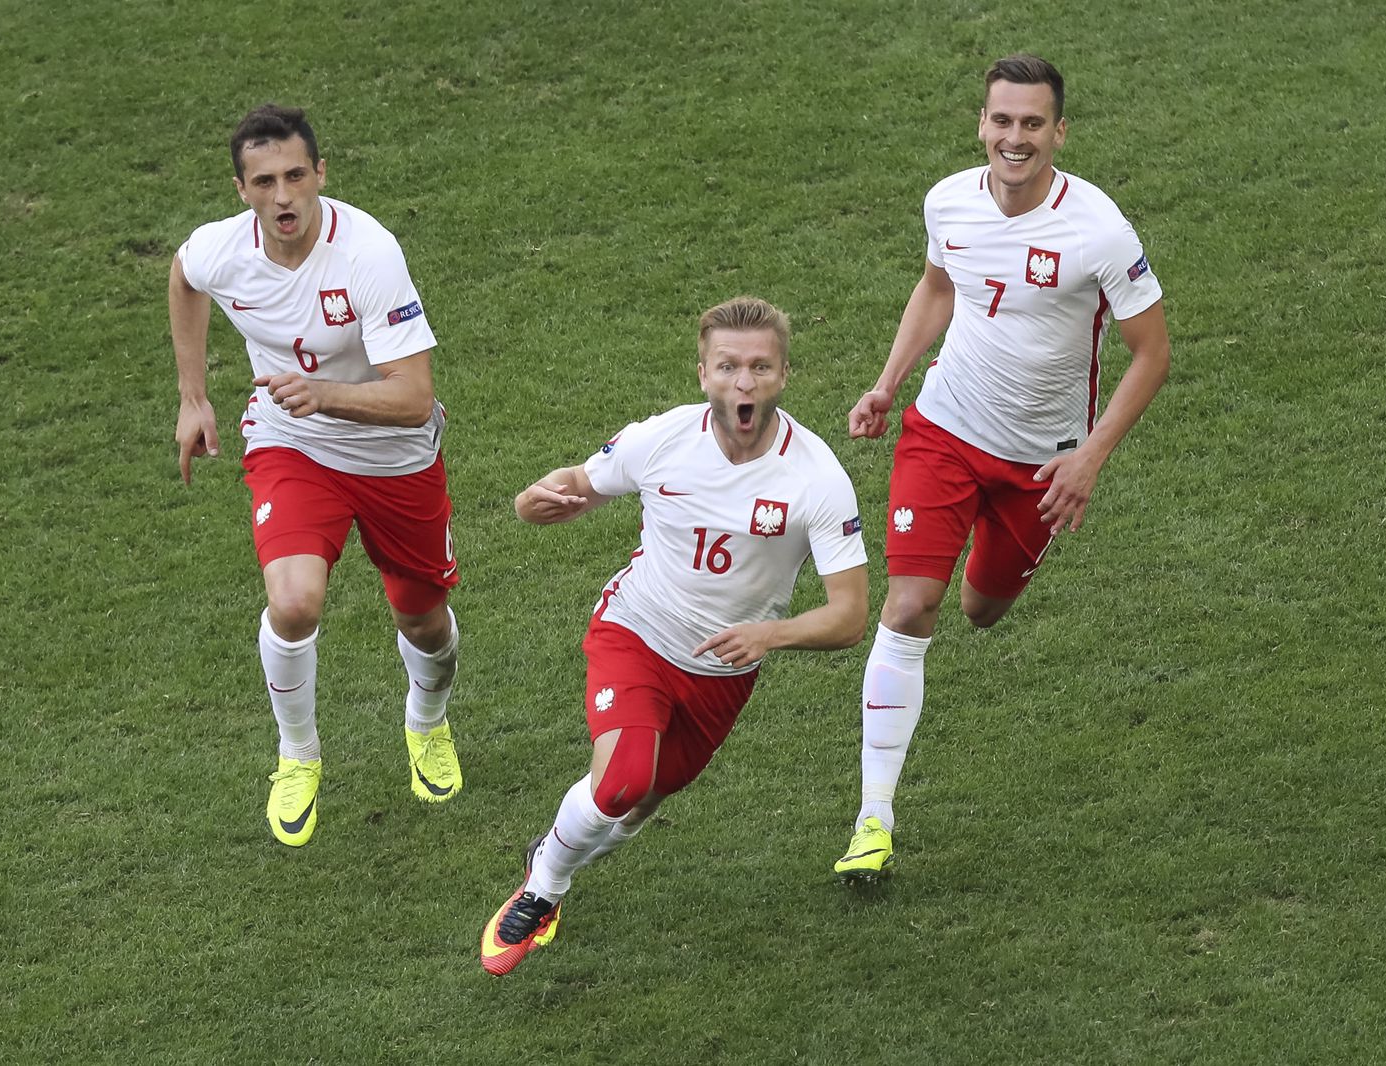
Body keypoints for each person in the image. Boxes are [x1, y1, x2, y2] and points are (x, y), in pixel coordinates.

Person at [833, 55, 1172, 881]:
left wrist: (1088, 459)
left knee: (983, 610)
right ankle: (873, 820)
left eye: (1031, 124)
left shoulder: (1098, 229)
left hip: (1041, 467)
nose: (1013, 139)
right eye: (1001, 121)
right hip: (942, 432)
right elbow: (937, 287)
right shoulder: (948, 200)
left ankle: (997, 562)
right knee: (911, 605)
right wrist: (887, 384)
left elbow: (1152, 355)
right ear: (981, 123)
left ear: (1059, 132)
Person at [481, 296, 869, 975]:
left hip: (721, 674)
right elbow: (579, 485)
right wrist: (534, 500)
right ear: (703, 374)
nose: (743, 383)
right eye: (728, 367)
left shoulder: (817, 479)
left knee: (637, 804)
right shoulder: (662, 439)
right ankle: (543, 886)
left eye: (759, 367)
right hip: (636, 631)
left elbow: (850, 615)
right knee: (624, 781)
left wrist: (771, 635)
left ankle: (557, 843)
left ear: (783, 375)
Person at [169, 104, 463, 847]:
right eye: (264, 181)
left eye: (296, 176)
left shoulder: (368, 253)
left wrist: (325, 394)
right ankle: (297, 753)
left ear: (321, 174)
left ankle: (426, 724)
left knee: (423, 620)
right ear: (240, 189)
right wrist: (193, 396)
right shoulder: (223, 249)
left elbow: (415, 397)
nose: (283, 196)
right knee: (293, 604)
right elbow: (184, 276)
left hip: (395, 457)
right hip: (291, 446)